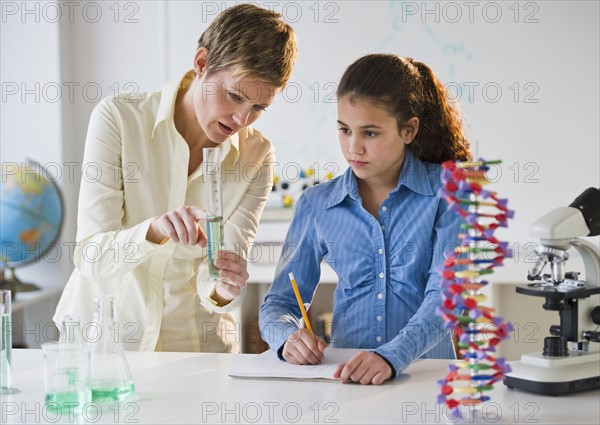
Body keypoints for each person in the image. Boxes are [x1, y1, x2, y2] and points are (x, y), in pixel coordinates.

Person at [54, 4, 297, 353]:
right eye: (234, 96)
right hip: (104, 347)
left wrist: (225, 287)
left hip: (195, 354)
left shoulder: (256, 157)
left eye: (259, 108)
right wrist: (153, 231)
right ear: (202, 64)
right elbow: (92, 256)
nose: (243, 118)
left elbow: (219, 274)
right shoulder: (119, 120)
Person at [259, 53, 472, 385]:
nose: (353, 147)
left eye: (370, 133)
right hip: (349, 380)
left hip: (428, 379)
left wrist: (392, 356)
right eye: (344, 130)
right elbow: (278, 303)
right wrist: (287, 338)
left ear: (409, 130)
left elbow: (445, 298)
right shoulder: (317, 205)